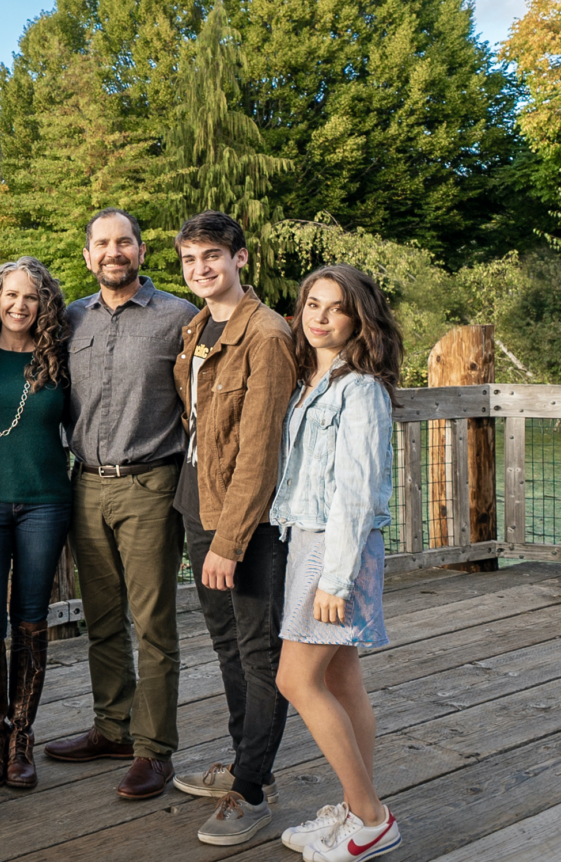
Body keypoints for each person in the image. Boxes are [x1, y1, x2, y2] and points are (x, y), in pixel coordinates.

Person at [43, 208, 198, 800]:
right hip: (85, 485)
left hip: (150, 485)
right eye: (102, 244)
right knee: (102, 621)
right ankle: (112, 727)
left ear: (140, 250)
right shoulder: (71, 319)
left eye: (124, 242)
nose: (114, 252)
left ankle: (154, 749)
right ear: (87, 256)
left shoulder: (179, 318)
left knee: (153, 625)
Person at [168, 211, 297, 846]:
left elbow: (259, 451)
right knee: (224, 643)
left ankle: (250, 790)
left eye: (213, 256)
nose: (202, 269)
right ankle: (253, 764)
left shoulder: (267, 335)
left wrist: (229, 539)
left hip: (244, 520)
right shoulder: (197, 327)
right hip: (196, 500)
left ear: (241, 259)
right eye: (191, 260)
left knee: (257, 650)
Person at [271, 265, 403, 861]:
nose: (318, 317)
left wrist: (334, 578)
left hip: (334, 548)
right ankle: (356, 812)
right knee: (342, 679)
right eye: (312, 305)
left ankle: (371, 820)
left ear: (359, 318)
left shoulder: (362, 389)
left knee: (295, 680)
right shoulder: (312, 382)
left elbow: (354, 490)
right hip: (308, 539)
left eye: (335, 308)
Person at [0, 257, 72, 790]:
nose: (19, 305)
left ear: (44, 302)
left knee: (29, 617)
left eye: (30, 296)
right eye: (10, 296)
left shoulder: (59, 360)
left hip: (44, 503)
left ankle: (20, 735)